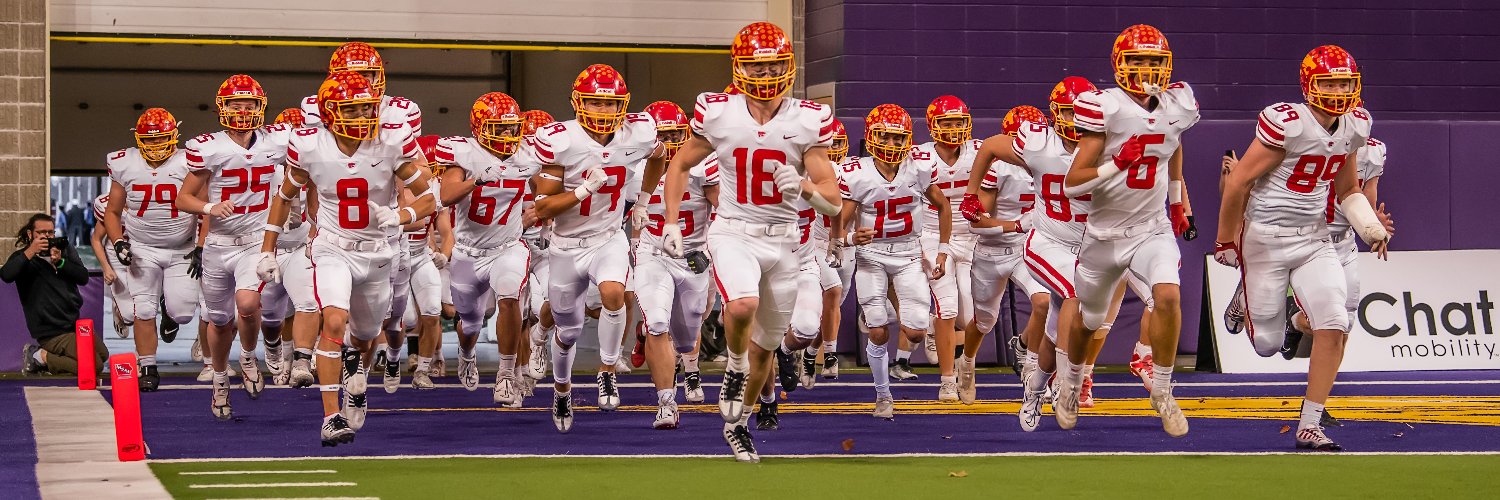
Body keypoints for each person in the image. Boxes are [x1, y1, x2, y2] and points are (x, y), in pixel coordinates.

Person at [649, 22, 841, 463]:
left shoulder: (806, 118)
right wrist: (674, 221)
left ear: (789, 66)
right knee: (740, 306)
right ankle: (732, 367)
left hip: (785, 241)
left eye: (775, 63)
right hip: (734, 229)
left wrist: (805, 187)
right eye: (758, 65)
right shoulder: (718, 112)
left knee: (767, 347)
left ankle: (737, 425)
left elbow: (832, 201)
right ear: (739, 68)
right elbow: (678, 165)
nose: (767, 73)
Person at [1215, 45, 1390, 451]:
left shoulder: (1354, 126)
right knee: (1267, 345)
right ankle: (1246, 293)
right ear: (1309, 83)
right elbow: (1239, 181)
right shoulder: (1288, 123)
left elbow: (1348, 189)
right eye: (1329, 82)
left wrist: (1370, 228)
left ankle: (1309, 425)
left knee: (1335, 323)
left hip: (1315, 238)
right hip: (1266, 239)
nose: (1337, 90)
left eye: (1344, 82)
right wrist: (1226, 239)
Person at [258, 70, 436, 447]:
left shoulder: (389, 142)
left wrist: (403, 215)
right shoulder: (308, 145)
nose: (364, 118)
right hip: (332, 246)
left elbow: (429, 194)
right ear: (329, 113)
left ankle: (357, 382)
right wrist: (267, 248)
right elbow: (284, 195)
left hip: (378, 251)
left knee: (367, 336)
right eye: (353, 111)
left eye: (367, 110)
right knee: (334, 320)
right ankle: (330, 416)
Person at [522, 64, 663, 433]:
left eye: (610, 103)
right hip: (566, 245)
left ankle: (607, 369)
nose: (604, 111)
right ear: (578, 103)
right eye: (596, 103)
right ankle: (562, 389)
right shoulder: (562, 141)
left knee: (615, 293)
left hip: (607, 237)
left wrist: (644, 202)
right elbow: (543, 208)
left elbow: (661, 156)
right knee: (567, 331)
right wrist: (584, 190)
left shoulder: (638, 133)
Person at [177, 74, 291, 417]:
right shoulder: (208, 146)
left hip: (255, 241)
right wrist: (209, 207)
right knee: (218, 319)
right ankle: (221, 379)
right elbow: (183, 198)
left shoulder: (276, 141)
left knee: (248, 303)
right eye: (236, 104)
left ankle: (247, 355)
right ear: (222, 107)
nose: (243, 110)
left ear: (262, 106)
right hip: (218, 243)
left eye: (250, 104)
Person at [835, 104, 951, 418]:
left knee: (914, 331)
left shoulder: (920, 166)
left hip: (909, 253)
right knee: (878, 333)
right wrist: (846, 240)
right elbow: (840, 221)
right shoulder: (856, 172)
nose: (892, 145)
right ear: (871, 138)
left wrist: (942, 249)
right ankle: (883, 394)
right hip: (871, 256)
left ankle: (879, 311)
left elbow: (943, 206)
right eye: (884, 137)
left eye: (899, 139)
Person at [436, 92, 533, 404]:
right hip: (467, 250)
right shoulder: (462, 152)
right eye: (499, 128)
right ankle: (466, 353)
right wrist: (475, 180)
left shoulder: (528, 154)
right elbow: (447, 195)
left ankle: (505, 375)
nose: (507, 135)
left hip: (507, 246)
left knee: (509, 296)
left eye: (511, 128)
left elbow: (544, 192)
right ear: (479, 127)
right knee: (470, 322)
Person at [634, 100, 720, 430]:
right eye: (662, 136)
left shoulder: (702, 166)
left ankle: (656, 342)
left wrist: (715, 246)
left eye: (675, 135)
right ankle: (666, 403)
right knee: (658, 323)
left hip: (693, 258)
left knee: (686, 340)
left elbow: (725, 209)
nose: (669, 144)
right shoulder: (636, 167)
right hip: (653, 254)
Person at [103, 107, 201, 392]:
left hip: (181, 247)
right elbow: (112, 211)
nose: (156, 146)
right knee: (142, 309)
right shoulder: (125, 163)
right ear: (138, 139)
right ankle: (148, 366)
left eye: (161, 140)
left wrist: (200, 245)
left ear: (174, 137)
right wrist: (119, 241)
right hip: (142, 246)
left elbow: (204, 206)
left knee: (182, 312)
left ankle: (169, 312)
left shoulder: (189, 161)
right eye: (149, 140)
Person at [6, 214, 104, 375]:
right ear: (31, 234)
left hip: (72, 324)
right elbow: (6, 274)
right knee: (95, 366)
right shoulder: (23, 258)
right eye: (41, 232)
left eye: (50, 232)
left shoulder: (64, 250)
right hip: (51, 331)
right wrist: (31, 251)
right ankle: (39, 356)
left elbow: (83, 277)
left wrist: (60, 262)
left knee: (102, 355)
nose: (46, 236)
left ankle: (48, 361)